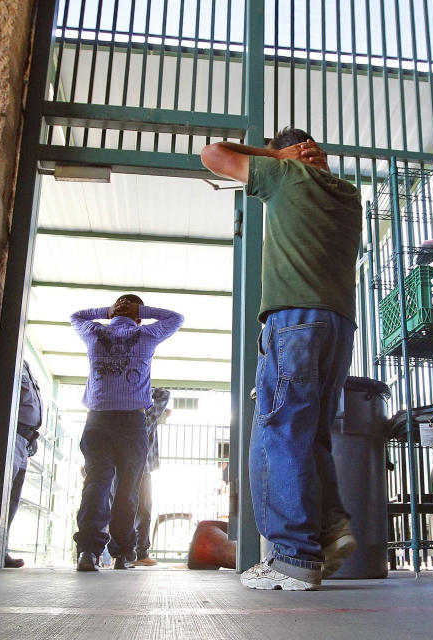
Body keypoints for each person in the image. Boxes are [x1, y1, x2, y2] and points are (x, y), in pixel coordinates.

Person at [201, 127, 362, 590]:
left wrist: (274, 154)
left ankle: (292, 557)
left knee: (279, 429)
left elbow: (212, 153)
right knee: (312, 435)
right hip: (339, 325)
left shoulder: (284, 173)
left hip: (295, 319)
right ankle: (330, 528)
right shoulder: (348, 195)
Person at [71, 294, 183, 572]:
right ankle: (122, 554)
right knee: (127, 488)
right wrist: (141, 310)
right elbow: (176, 318)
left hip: (98, 420)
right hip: (132, 423)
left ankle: (88, 551)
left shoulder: (94, 332)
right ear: (138, 316)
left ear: (112, 314)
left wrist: (104, 309)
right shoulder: (146, 334)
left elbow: (76, 316)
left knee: (96, 482)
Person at [3, 360, 43, 568]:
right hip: (13, 434)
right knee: (5, 495)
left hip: (24, 439)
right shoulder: (15, 360)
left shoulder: (27, 365)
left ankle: (2, 547)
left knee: (13, 499)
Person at [132, 388, 171, 567]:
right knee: (144, 510)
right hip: (142, 469)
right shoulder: (146, 416)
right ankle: (140, 553)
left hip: (124, 468)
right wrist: (143, 388)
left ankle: (124, 552)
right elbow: (164, 394)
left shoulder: (127, 414)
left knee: (123, 507)